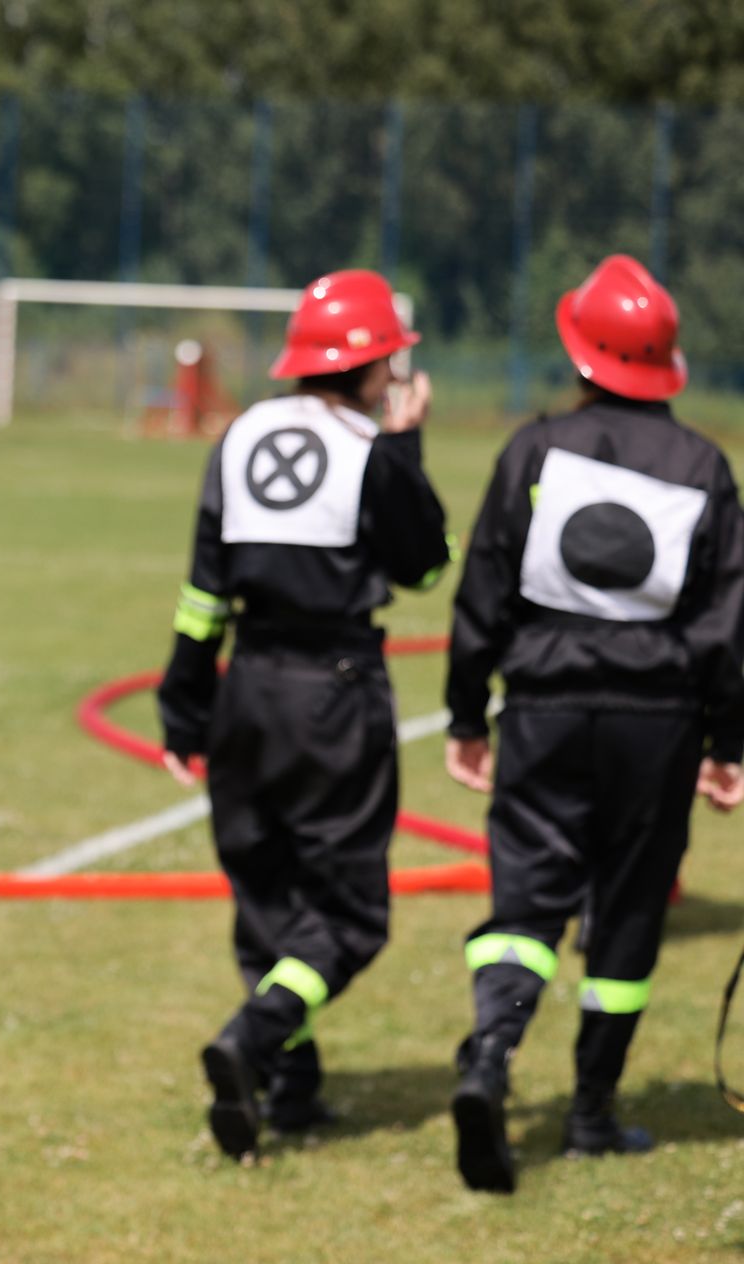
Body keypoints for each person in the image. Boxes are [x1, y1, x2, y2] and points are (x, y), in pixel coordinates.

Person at [443, 253, 744, 1193]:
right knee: (627, 911)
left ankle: (489, 1056)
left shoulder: (533, 452)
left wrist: (466, 712)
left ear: (580, 356)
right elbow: (727, 629)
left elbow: (482, 590)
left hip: (541, 711)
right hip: (657, 726)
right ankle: (590, 1112)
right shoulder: (704, 466)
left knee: (526, 901)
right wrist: (728, 743)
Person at [155, 270, 451, 1160]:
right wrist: (407, 446)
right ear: (373, 367)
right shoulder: (371, 447)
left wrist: (183, 705)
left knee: (269, 891)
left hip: (248, 690)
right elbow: (427, 566)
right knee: (351, 914)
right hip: (336, 693)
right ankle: (254, 1040)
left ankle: (287, 1089)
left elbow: (205, 591)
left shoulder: (241, 433)